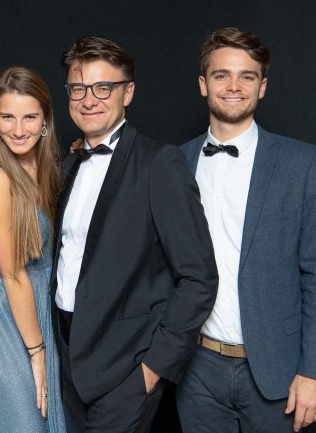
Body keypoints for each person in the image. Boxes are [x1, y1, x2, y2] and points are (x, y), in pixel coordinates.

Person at [177, 27, 316, 433]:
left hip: (278, 370)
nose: (234, 87)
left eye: (247, 76)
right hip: (195, 369)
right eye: (221, 75)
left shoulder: (304, 164)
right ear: (203, 84)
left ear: (262, 87)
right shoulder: (174, 163)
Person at [52, 36, 218, 433]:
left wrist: (152, 369)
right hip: (68, 363)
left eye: (102, 87)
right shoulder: (69, 164)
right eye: (79, 88)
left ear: (127, 93)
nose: (89, 99)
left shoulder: (159, 163)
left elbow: (198, 277)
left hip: (125, 371)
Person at [0, 67, 67, 433]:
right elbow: (12, 275)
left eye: (29, 117)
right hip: (8, 316)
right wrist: (36, 353)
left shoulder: (44, 167)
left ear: (45, 120)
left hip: (40, 305)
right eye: (7, 117)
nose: (18, 129)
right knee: (24, 421)